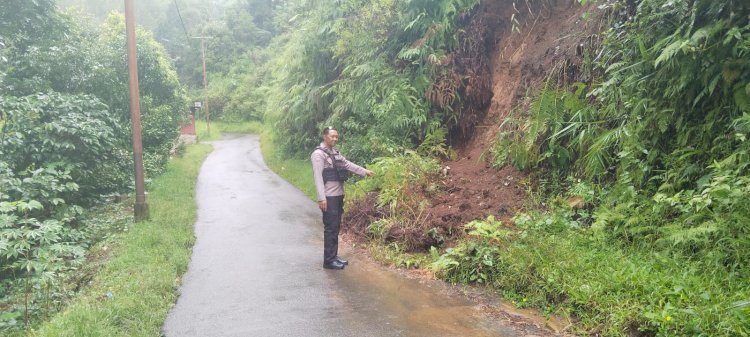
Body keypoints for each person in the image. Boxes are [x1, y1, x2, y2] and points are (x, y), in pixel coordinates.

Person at [311, 126, 373, 269]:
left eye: (336, 136)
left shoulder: (335, 153)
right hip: (329, 197)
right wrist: (321, 198)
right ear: (325, 136)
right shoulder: (318, 155)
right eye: (332, 136)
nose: (335, 139)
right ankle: (328, 260)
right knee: (330, 227)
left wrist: (364, 171)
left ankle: (334, 256)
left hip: (338, 195)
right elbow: (318, 177)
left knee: (336, 226)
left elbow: (347, 164)